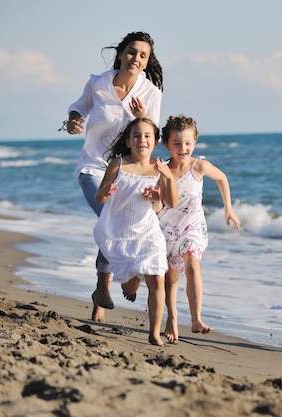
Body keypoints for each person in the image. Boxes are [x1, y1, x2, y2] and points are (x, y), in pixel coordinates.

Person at [65, 31, 163, 323]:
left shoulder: (151, 94)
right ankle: (113, 282)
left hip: (128, 171)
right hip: (93, 167)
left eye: (142, 55)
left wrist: (143, 115)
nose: (135, 59)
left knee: (121, 222)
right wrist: (72, 119)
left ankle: (102, 290)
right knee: (110, 216)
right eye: (131, 52)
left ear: (147, 62)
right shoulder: (98, 83)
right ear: (121, 53)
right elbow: (79, 107)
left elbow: (150, 135)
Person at [93, 118, 178, 346]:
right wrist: (106, 191)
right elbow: (99, 197)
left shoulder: (160, 168)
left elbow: (168, 203)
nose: (142, 140)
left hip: (148, 233)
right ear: (129, 142)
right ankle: (128, 282)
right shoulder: (118, 164)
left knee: (158, 281)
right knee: (130, 286)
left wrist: (159, 192)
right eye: (137, 136)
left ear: (156, 141)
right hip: (119, 233)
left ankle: (154, 332)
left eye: (147, 136)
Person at [157, 115, 240, 344]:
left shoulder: (199, 166)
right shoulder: (162, 169)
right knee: (170, 279)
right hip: (167, 228)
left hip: (192, 226)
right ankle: (172, 319)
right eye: (176, 144)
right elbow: (160, 202)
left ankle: (196, 319)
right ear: (167, 144)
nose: (182, 148)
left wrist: (228, 209)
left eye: (187, 143)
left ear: (194, 142)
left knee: (192, 262)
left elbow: (222, 178)